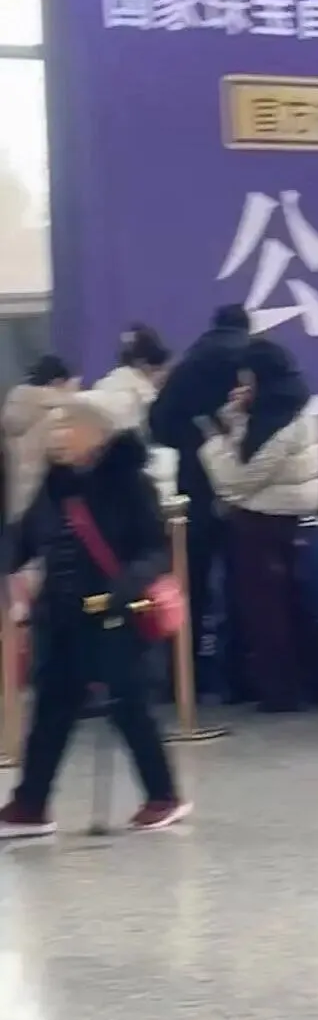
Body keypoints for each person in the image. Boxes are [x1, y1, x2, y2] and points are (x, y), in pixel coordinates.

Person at [0, 395, 190, 837]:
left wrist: (125, 587)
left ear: (97, 434)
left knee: (130, 707)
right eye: (55, 426)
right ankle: (31, 804)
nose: (58, 434)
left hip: (113, 614)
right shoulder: (54, 485)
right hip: (60, 616)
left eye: (68, 425)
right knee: (51, 708)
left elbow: (154, 551)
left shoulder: (130, 482)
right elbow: (26, 539)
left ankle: (163, 795)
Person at [198, 339, 318, 712]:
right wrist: (236, 414)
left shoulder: (278, 425)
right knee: (294, 607)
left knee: (265, 614)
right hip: (286, 519)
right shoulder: (296, 408)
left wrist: (212, 442)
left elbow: (237, 479)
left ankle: (280, 692)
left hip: (261, 523)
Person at [149, 304, 251, 678]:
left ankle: (183, 675)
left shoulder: (187, 366)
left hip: (195, 483)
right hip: (246, 483)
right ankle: (242, 675)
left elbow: (157, 422)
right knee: (246, 583)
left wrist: (192, 439)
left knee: (190, 581)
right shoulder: (254, 361)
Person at [95, 325, 176, 501]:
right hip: (134, 478)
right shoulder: (144, 396)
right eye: (160, 370)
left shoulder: (102, 386)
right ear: (144, 365)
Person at [2, 355, 77, 523]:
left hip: (18, 502)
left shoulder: (16, 407)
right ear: (58, 382)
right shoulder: (55, 410)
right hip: (46, 500)